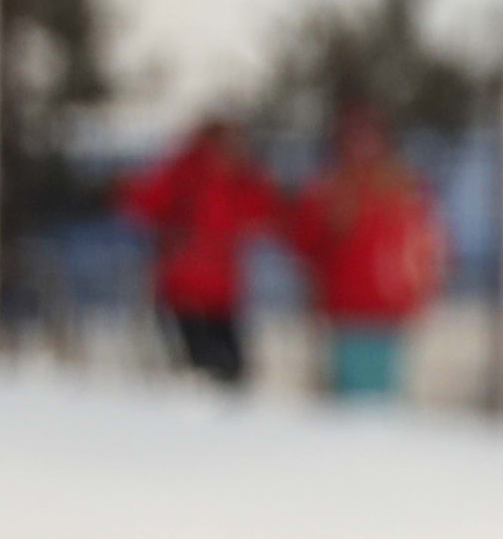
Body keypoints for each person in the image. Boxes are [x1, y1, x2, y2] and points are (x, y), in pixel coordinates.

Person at [285, 107, 447, 402]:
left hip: (388, 312)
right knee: (350, 405)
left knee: (383, 403)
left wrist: (419, 292)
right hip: (345, 312)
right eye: (354, 140)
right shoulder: (327, 190)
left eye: (368, 139)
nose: (362, 148)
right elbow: (303, 245)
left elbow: (424, 247)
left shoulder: (403, 188)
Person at [116, 113, 281, 386]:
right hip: (183, 291)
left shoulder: (240, 177)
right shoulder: (184, 172)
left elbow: (265, 209)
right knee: (200, 374)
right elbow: (139, 201)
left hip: (222, 294)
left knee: (231, 371)